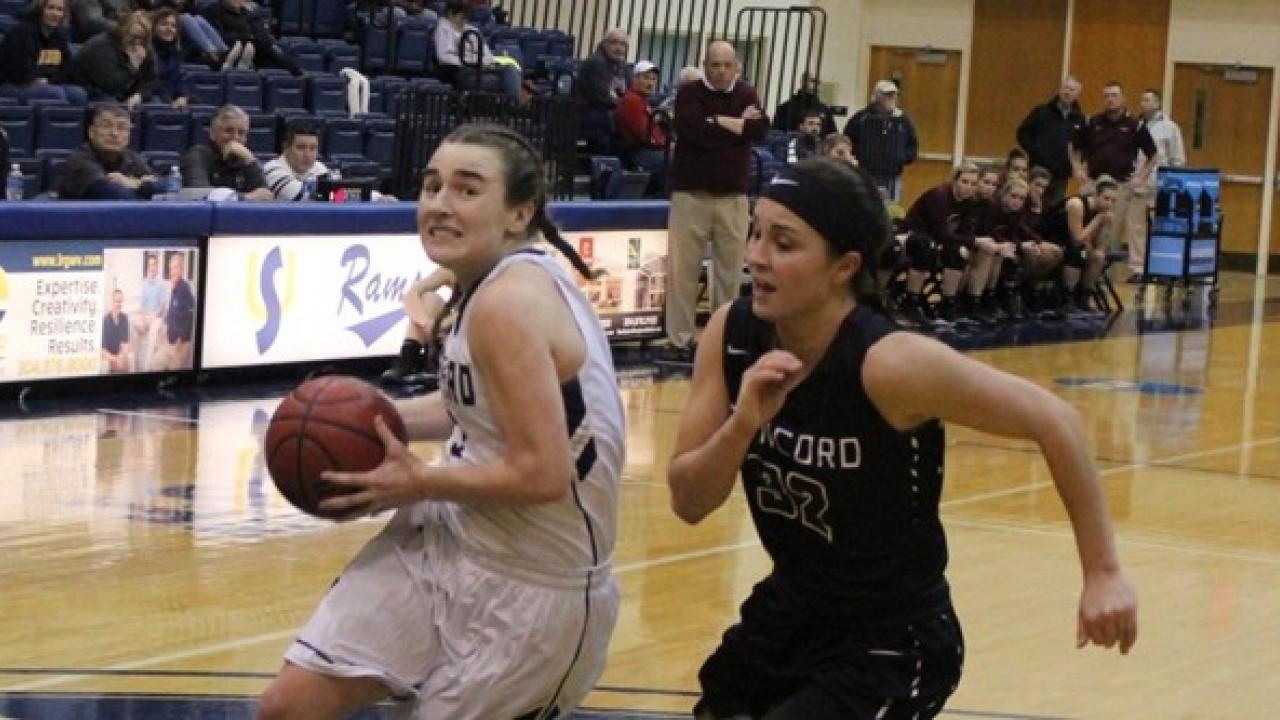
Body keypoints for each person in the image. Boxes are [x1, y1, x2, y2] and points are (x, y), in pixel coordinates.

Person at [667, 157, 1138, 720]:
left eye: (784, 243)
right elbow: (688, 502)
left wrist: (1103, 572)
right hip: (791, 609)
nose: (756, 256)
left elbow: (1056, 419)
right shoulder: (733, 332)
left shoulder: (889, 364)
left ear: (844, 267)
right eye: (756, 233)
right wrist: (742, 423)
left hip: (892, 637)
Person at [256, 124, 625, 720]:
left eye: (467, 189)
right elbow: (471, 406)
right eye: (432, 186)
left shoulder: (509, 302)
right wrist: (360, 421)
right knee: (289, 706)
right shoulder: (489, 282)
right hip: (450, 538)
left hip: (534, 586)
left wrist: (419, 481)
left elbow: (542, 473)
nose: (440, 204)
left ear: (519, 213)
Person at [664, 40, 768, 361]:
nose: (721, 71)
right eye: (715, 64)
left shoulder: (747, 93)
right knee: (682, 273)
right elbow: (694, 132)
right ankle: (679, 340)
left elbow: (759, 130)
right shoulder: (689, 93)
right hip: (690, 195)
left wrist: (717, 120)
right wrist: (736, 125)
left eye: (727, 65)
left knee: (730, 274)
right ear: (705, 66)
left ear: (737, 67)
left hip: (733, 198)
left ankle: (722, 340)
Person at [1069, 82, 1157, 263]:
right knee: (1086, 227)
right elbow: (1073, 146)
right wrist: (1076, 167)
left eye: (1114, 95)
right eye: (1106, 96)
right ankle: (1082, 265)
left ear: (1123, 98)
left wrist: (1140, 178)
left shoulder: (1135, 125)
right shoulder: (1092, 122)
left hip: (1120, 185)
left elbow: (1153, 155)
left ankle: (1105, 270)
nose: (1110, 99)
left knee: (1111, 232)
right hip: (1093, 183)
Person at [899, 162, 989, 326]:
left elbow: (965, 232)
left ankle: (948, 303)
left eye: (973, 184)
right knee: (926, 246)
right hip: (912, 235)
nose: (968, 187)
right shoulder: (939, 196)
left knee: (959, 251)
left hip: (939, 240)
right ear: (955, 180)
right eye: (965, 182)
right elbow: (940, 233)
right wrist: (975, 241)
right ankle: (911, 301)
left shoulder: (968, 202)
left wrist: (972, 243)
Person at [1127, 88, 1186, 281]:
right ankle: (1138, 268)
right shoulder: (1134, 125)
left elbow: (1177, 159)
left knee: (1159, 226)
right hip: (1137, 182)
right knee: (1136, 227)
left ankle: (1161, 267)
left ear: (1158, 103)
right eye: (1142, 100)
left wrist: (1173, 183)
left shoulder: (1170, 128)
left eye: (1148, 100)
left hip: (1160, 184)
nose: (1143, 103)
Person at [1044, 175, 1119, 313]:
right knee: (1079, 251)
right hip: (1051, 239)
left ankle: (1084, 298)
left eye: (1113, 201)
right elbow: (1077, 239)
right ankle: (1068, 297)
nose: (1109, 204)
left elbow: (1100, 246)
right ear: (1096, 195)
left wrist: (1105, 228)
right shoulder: (1077, 204)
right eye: (1106, 198)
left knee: (1098, 256)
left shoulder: (1102, 213)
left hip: (1072, 243)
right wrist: (1098, 219)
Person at [59, 104, 162, 200]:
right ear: (91, 132)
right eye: (106, 126)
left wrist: (133, 183)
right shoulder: (79, 160)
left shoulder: (133, 158)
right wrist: (144, 186)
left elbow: (164, 187)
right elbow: (115, 195)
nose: (114, 133)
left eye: (121, 128)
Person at [842, 79, 917, 202]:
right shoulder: (861, 118)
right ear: (877, 96)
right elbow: (847, 141)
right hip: (866, 173)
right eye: (887, 95)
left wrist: (902, 158)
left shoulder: (903, 120)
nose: (891, 98)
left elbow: (912, 144)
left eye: (894, 95)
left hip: (892, 175)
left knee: (891, 208)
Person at [1016, 76, 1086, 209]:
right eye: (1065, 88)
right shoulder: (1041, 111)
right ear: (1060, 89)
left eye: (1072, 90)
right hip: (1039, 170)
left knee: (1054, 209)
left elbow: (1081, 146)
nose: (1067, 92)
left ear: (1077, 94)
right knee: (1031, 204)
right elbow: (1022, 133)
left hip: (1061, 175)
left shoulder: (1080, 119)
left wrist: (1075, 166)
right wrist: (1036, 151)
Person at [0, 0, 88, 105]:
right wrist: (44, 78)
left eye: (60, 9)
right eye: (50, 8)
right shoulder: (21, 33)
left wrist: (49, 80)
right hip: (13, 84)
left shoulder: (59, 37)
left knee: (78, 94)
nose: (55, 13)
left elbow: (68, 70)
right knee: (55, 93)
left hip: (47, 83)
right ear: (40, 9)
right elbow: (21, 71)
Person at [180, 105, 274, 200]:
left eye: (241, 133)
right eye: (228, 131)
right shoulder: (196, 156)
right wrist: (247, 197)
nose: (235, 137)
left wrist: (251, 160)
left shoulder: (246, 159)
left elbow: (265, 196)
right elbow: (199, 195)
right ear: (212, 133)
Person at [380, 266, 454, 386]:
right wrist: (426, 323)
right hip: (448, 332)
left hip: (469, 329)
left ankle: (437, 366)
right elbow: (411, 294)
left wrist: (439, 325)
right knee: (429, 298)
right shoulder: (450, 270)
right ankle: (408, 360)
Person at [433, 1, 521, 99]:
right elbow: (443, 57)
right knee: (506, 81)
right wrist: (471, 62)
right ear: (450, 14)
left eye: (466, 19)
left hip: (481, 68)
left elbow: (488, 56)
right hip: (461, 71)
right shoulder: (442, 29)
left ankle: (514, 103)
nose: (464, 22)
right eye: (461, 18)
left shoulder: (472, 30)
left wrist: (479, 62)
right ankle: (514, 104)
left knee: (510, 69)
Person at [68, 10, 156, 107]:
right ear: (122, 30)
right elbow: (110, 85)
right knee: (114, 107)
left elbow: (151, 80)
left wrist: (139, 95)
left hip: (123, 95)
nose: (137, 41)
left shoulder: (143, 48)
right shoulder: (101, 45)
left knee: (155, 105)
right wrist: (133, 66)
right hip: (92, 91)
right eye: (133, 36)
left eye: (143, 37)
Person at [613, 59, 668, 197]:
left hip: (645, 150)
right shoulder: (633, 101)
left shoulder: (641, 101)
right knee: (678, 160)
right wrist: (666, 145)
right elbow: (645, 135)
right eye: (646, 78)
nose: (650, 83)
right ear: (635, 79)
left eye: (653, 79)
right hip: (638, 153)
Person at [202, 0, 302, 74]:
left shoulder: (249, 15)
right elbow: (216, 38)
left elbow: (264, 40)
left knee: (267, 50)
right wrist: (246, 38)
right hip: (224, 54)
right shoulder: (211, 11)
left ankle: (292, 67)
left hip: (253, 54)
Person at [573, 27, 629, 149]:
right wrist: (626, 106)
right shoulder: (596, 63)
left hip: (609, 110)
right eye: (614, 43)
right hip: (589, 112)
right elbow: (601, 98)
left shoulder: (622, 66)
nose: (618, 48)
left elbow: (630, 92)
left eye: (622, 44)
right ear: (605, 44)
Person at [262, 121, 330, 201]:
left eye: (313, 148)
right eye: (301, 148)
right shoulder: (271, 170)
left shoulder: (320, 168)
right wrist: (327, 193)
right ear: (286, 148)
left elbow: (339, 197)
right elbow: (299, 197)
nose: (307, 155)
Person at [156, 251, 195, 370]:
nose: (172, 272)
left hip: (180, 345)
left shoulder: (185, 290)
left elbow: (188, 322)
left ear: (181, 269)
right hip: (170, 343)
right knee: (155, 364)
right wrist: (163, 324)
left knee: (173, 368)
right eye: (171, 269)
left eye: (175, 268)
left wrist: (176, 347)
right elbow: (171, 314)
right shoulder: (174, 289)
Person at [771, 71, 836, 136]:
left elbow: (832, 134)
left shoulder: (824, 109)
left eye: (818, 83)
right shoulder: (785, 108)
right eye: (813, 81)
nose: (816, 85)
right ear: (803, 82)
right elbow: (775, 134)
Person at [150, 8, 189, 109]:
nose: (169, 28)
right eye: (164, 24)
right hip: (153, 97)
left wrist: (182, 96)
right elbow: (152, 83)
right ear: (153, 27)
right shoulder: (147, 50)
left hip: (171, 98)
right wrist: (170, 100)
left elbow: (180, 78)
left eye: (173, 26)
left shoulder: (175, 52)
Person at [101, 288, 131, 373]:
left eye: (120, 301)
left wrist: (121, 357)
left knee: (126, 363)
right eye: (116, 301)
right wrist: (114, 359)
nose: (119, 304)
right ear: (112, 302)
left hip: (120, 356)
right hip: (109, 357)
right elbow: (102, 350)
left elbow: (126, 343)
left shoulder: (124, 318)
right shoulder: (105, 321)